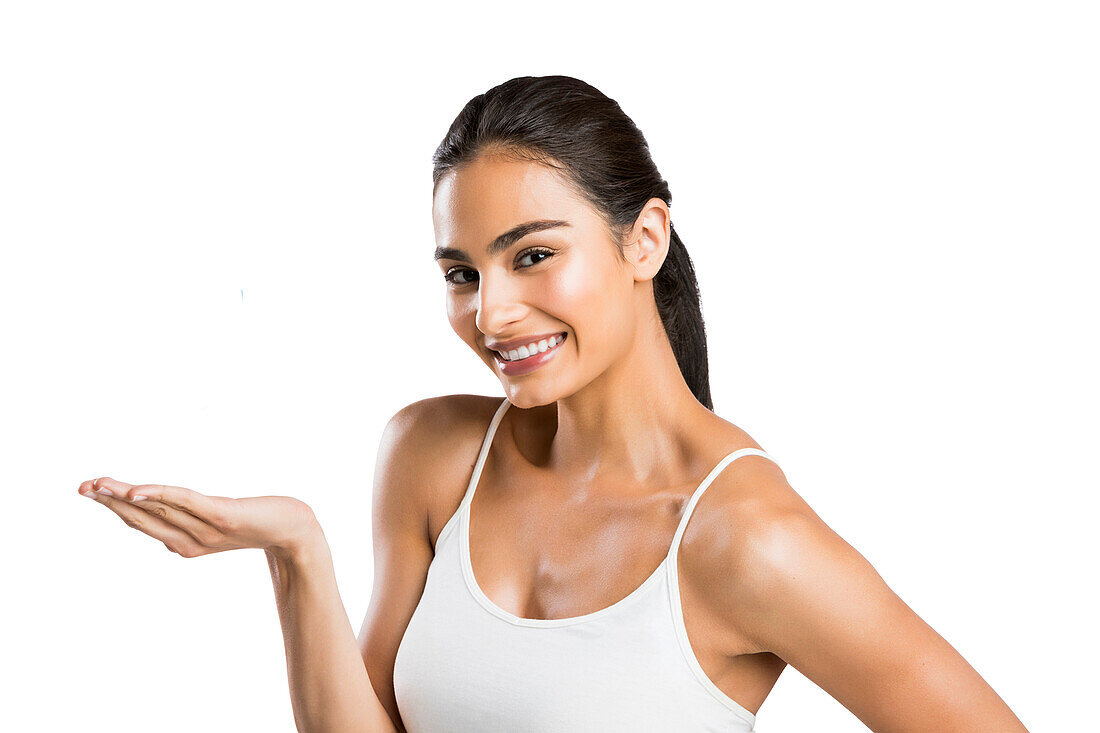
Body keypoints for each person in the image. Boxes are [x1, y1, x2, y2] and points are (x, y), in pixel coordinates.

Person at [78, 75, 1030, 732]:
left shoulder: (745, 537)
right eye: (462, 271)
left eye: (533, 254)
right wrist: (296, 554)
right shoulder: (434, 452)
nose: (489, 312)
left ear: (644, 238)